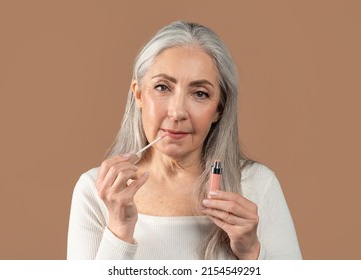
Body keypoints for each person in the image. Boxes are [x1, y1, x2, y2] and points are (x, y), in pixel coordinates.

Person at [67, 20, 302, 260]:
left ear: (219, 109)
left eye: (200, 94)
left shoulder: (258, 185)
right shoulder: (96, 190)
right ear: (138, 94)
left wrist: (252, 252)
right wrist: (118, 228)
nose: (177, 112)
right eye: (162, 87)